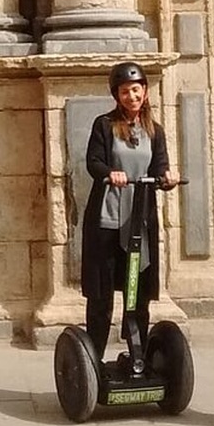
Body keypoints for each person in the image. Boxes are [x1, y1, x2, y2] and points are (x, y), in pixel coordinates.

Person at [81, 62, 178, 361]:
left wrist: (167, 178)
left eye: (136, 90)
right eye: (125, 91)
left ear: (145, 92)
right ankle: (94, 358)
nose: (131, 96)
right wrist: (111, 173)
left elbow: (159, 166)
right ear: (116, 95)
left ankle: (139, 354)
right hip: (107, 220)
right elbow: (93, 162)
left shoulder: (154, 130)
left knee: (138, 292)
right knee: (102, 294)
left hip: (139, 220)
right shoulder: (104, 125)